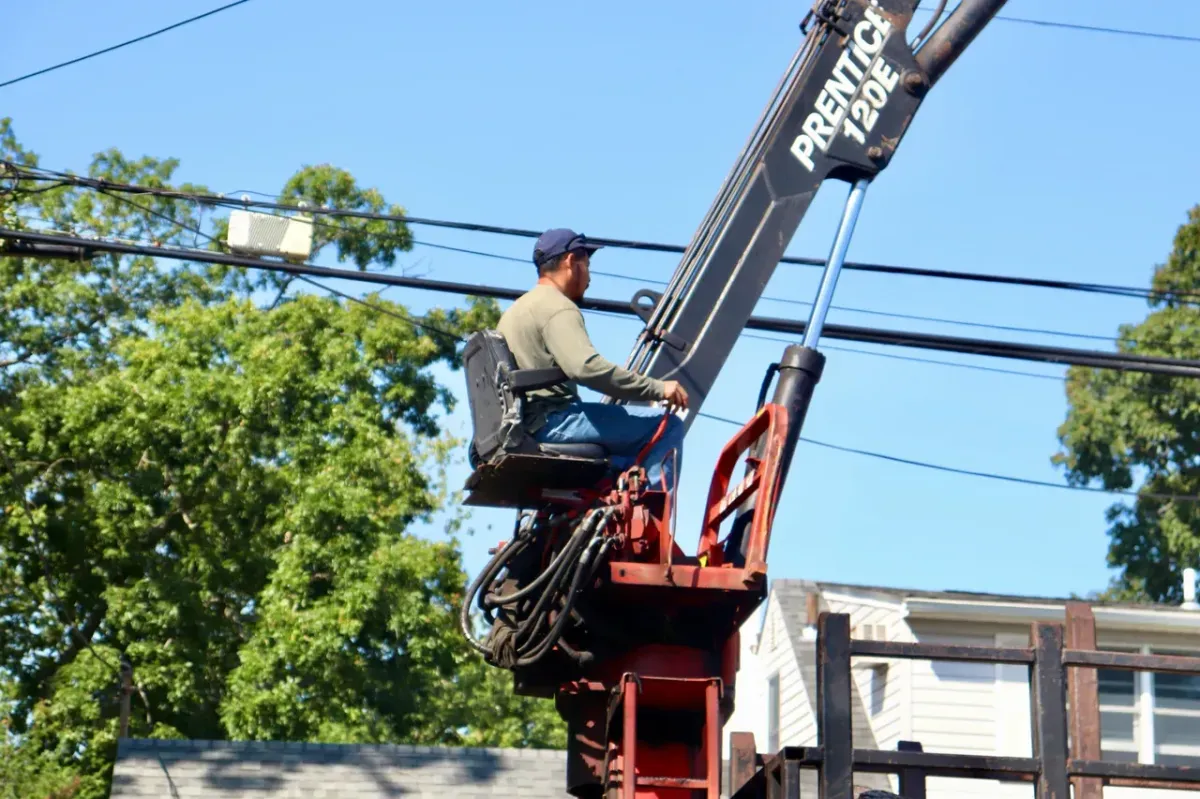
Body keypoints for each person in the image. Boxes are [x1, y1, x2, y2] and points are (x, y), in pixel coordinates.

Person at [496, 227, 689, 492]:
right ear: (570, 261)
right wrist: (658, 388)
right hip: (555, 421)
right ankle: (652, 511)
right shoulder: (557, 306)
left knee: (625, 463)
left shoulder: (513, 313)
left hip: (524, 426)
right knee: (667, 427)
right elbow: (585, 368)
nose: (589, 277)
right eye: (586, 265)